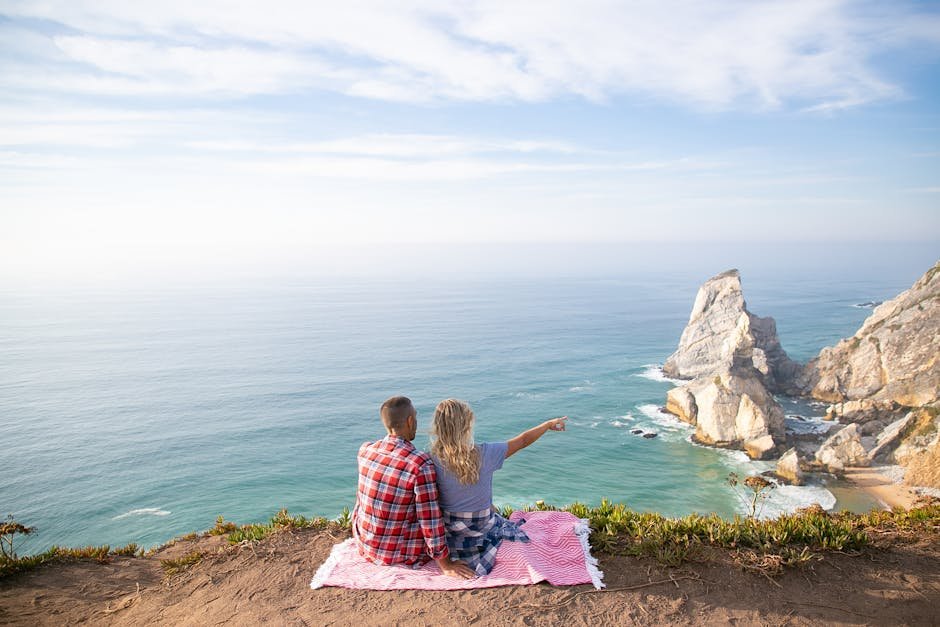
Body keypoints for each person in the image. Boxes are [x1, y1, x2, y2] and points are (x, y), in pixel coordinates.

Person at [429, 398, 567, 576]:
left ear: (438, 428)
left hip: (452, 537)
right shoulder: (486, 453)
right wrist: (548, 424)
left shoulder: (429, 460)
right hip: (482, 531)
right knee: (504, 520)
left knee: (491, 510)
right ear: (467, 426)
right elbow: (523, 440)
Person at [352, 395, 476, 579]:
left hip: (365, 543)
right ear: (410, 421)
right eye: (416, 418)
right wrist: (445, 564)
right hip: (396, 553)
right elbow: (430, 520)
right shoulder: (418, 464)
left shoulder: (366, 450)